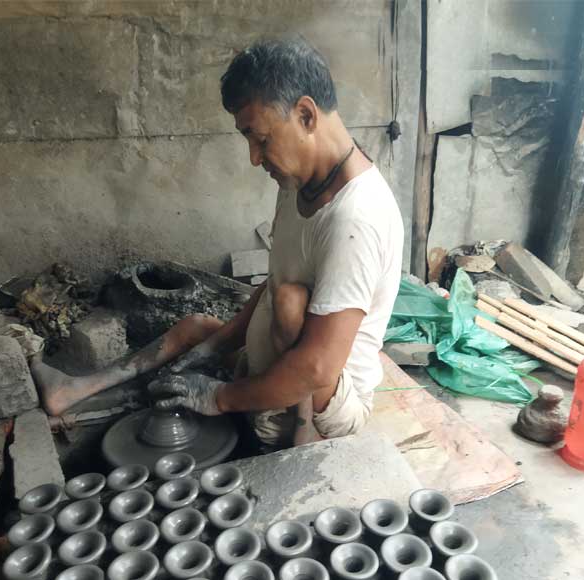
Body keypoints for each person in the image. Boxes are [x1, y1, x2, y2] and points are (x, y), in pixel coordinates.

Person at [32, 37, 403, 448]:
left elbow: (317, 368)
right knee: (198, 328)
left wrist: (218, 396)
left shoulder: (356, 218)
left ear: (305, 115)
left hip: (322, 403)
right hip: (271, 360)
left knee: (289, 302)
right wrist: (215, 346)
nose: (254, 157)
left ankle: (295, 436)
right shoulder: (300, 179)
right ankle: (71, 390)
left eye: (261, 139)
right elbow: (276, 280)